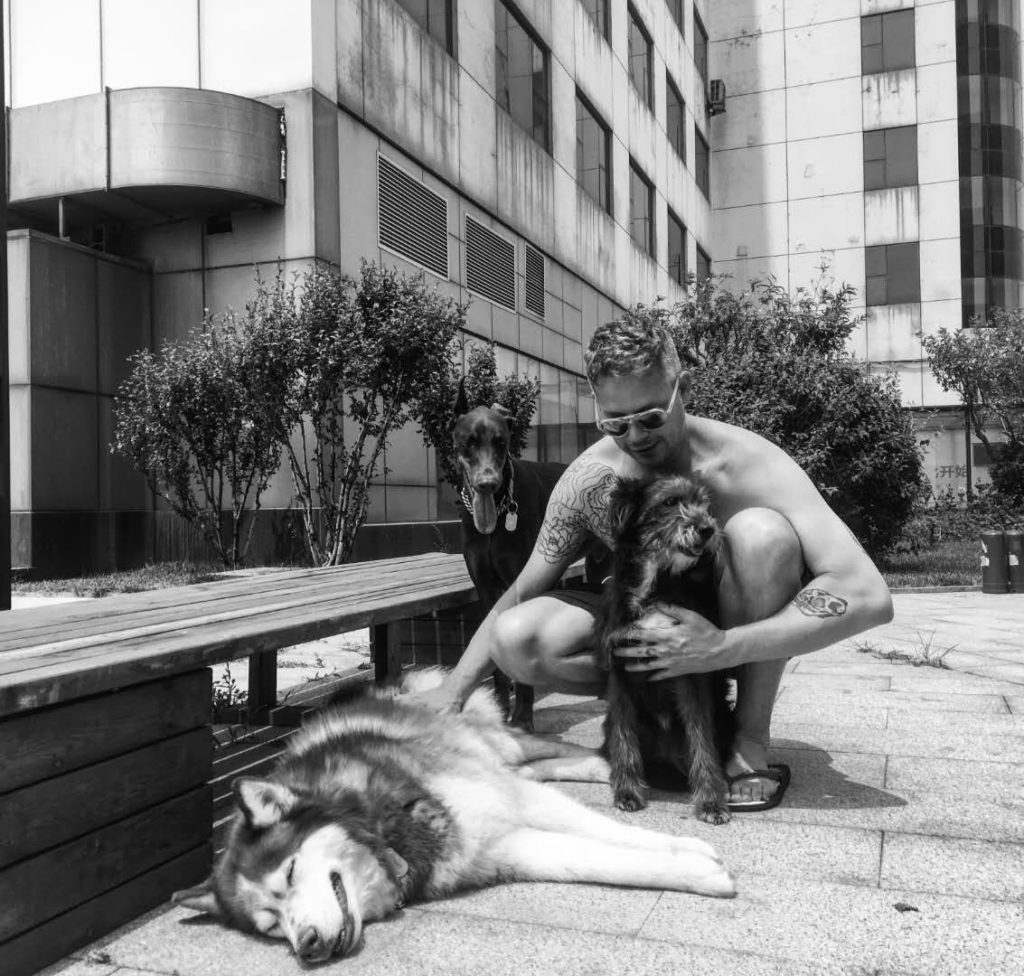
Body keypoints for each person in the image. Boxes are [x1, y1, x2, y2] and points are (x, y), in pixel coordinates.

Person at [421, 315, 894, 808]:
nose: (634, 437)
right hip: (643, 619)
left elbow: (867, 595)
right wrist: (452, 692)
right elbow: (521, 591)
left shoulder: (747, 465)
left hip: (733, 625)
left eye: (649, 418)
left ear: (681, 389)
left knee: (763, 535)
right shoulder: (590, 479)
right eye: (615, 423)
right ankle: (646, 723)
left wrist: (720, 648)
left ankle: (748, 739)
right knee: (516, 637)